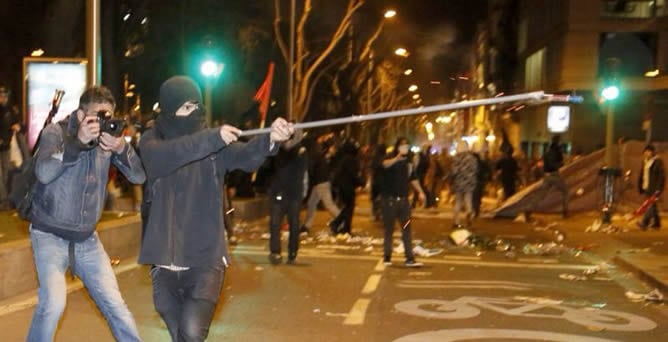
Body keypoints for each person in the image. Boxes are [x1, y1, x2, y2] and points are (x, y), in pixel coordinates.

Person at [138, 76, 293, 341]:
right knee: (179, 336)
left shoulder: (213, 144)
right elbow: (163, 158)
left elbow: (246, 156)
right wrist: (212, 138)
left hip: (205, 262)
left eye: (197, 106)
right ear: (168, 108)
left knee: (191, 333)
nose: (195, 113)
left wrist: (271, 139)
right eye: (186, 107)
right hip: (163, 263)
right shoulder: (153, 141)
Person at [28, 86, 145, 341]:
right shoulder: (55, 133)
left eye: (108, 117)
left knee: (117, 307)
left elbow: (139, 176)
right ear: (81, 115)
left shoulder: (106, 140)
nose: (103, 123)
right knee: (53, 305)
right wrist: (77, 143)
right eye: (97, 116)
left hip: (86, 239)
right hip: (49, 234)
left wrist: (120, 149)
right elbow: (44, 172)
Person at [380, 137, 426, 268]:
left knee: (406, 228)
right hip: (389, 202)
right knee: (389, 229)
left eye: (406, 145)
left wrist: (421, 192)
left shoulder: (409, 163)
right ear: (397, 147)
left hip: (404, 203)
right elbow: (384, 165)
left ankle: (409, 258)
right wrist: (397, 158)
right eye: (401, 145)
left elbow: (413, 178)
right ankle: (387, 256)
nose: (404, 148)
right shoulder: (390, 158)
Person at [268, 129, 308, 264]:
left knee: (294, 224)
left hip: (293, 194)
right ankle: (276, 252)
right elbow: (271, 167)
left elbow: (303, 173)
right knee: (275, 224)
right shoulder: (278, 151)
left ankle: (292, 254)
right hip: (280, 192)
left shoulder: (300, 151)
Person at [301, 135, 341, 234]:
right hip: (320, 182)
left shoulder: (313, 155)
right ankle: (307, 225)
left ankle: (342, 221)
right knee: (312, 203)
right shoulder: (318, 154)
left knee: (328, 204)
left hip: (321, 182)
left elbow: (311, 169)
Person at [329, 139, 365, 235]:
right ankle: (338, 225)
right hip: (347, 187)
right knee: (349, 208)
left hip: (343, 186)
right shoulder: (351, 159)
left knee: (348, 208)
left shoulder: (344, 158)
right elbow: (353, 175)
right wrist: (361, 182)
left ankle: (344, 228)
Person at [527, 135, 569, 219]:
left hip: (547, 175)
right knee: (566, 192)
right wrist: (560, 164)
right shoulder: (557, 151)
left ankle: (529, 210)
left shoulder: (547, 151)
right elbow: (558, 163)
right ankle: (565, 212)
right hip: (555, 175)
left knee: (541, 195)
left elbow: (544, 163)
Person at [0, 85, 26, 209]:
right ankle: (3, 199)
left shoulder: (10, 110)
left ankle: (4, 200)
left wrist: (18, 127)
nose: (3, 98)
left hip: (5, 146)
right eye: (1, 96)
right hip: (4, 144)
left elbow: (20, 125)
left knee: (5, 173)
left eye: (4, 96)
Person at [450, 141, 478, 227]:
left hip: (459, 182)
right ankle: (469, 212)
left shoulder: (456, 158)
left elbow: (454, 171)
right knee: (468, 199)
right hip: (469, 182)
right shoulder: (472, 158)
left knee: (458, 201)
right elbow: (475, 170)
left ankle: (456, 221)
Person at [637, 144, 665, 230]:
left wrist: (659, 188)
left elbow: (661, 176)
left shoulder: (657, 162)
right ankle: (657, 223)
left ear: (652, 152)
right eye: (645, 152)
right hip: (646, 186)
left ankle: (644, 222)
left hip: (654, 188)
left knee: (650, 205)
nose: (647, 153)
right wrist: (640, 186)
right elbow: (642, 175)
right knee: (653, 206)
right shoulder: (645, 162)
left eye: (649, 152)